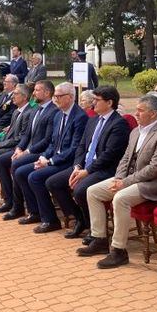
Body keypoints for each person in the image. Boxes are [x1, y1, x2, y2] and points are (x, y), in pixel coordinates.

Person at [77, 95, 157, 269]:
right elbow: (125, 158)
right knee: (92, 191)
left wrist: (125, 182)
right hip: (129, 180)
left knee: (120, 198)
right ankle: (99, 238)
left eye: (140, 110)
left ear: (153, 114)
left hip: (152, 184)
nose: (135, 114)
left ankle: (118, 250)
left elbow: (154, 169)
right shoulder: (136, 131)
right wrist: (119, 178)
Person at [45, 86, 131, 239]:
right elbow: (82, 146)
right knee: (53, 182)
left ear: (110, 102)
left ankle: (94, 228)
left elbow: (109, 155)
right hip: (84, 166)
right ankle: (80, 219)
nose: (93, 104)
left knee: (80, 190)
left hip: (105, 169)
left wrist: (87, 171)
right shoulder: (93, 121)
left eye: (97, 100)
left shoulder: (118, 124)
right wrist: (78, 166)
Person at [13, 82, 89, 232]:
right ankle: (36, 212)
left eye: (59, 96)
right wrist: (44, 158)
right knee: (21, 172)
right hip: (53, 158)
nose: (56, 99)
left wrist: (50, 161)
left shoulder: (79, 117)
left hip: (68, 162)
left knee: (36, 177)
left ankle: (53, 219)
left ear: (70, 97)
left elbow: (74, 149)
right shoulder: (59, 115)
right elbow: (53, 143)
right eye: (55, 96)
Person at [0, 80, 59, 220]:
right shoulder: (36, 109)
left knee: (17, 166)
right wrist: (19, 148)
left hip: (40, 151)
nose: (34, 93)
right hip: (28, 149)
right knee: (3, 161)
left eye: (37, 90)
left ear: (47, 93)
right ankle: (13, 203)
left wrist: (27, 152)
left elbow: (47, 140)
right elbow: (26, 134)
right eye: (35, 90)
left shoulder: (53, 111)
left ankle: (23, 208)